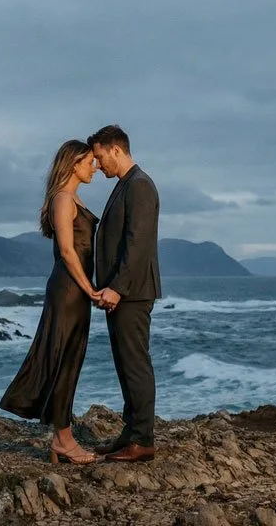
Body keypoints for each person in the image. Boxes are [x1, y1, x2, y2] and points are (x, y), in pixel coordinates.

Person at [0, 139, 102, 465]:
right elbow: (68, 253)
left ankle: (62, 438)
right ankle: (63, 441)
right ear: (73, 163)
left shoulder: (74, 197)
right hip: (69, 290)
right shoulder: (62, 199)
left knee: (70, 360)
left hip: (75, 291)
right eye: (89, 162)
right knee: (62, 360)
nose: (94, 166)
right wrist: (90, 288)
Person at [88, 124, 162, 463]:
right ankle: (130, 432)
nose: (98, 164)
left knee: (135, 364)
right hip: (122, 293)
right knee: (124, 364)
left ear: (117, 150)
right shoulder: (125, 185)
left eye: (100, 157)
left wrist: (117, 287)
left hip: (131, 293)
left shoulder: (140, 185)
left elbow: (137, 242)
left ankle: (143, 439)